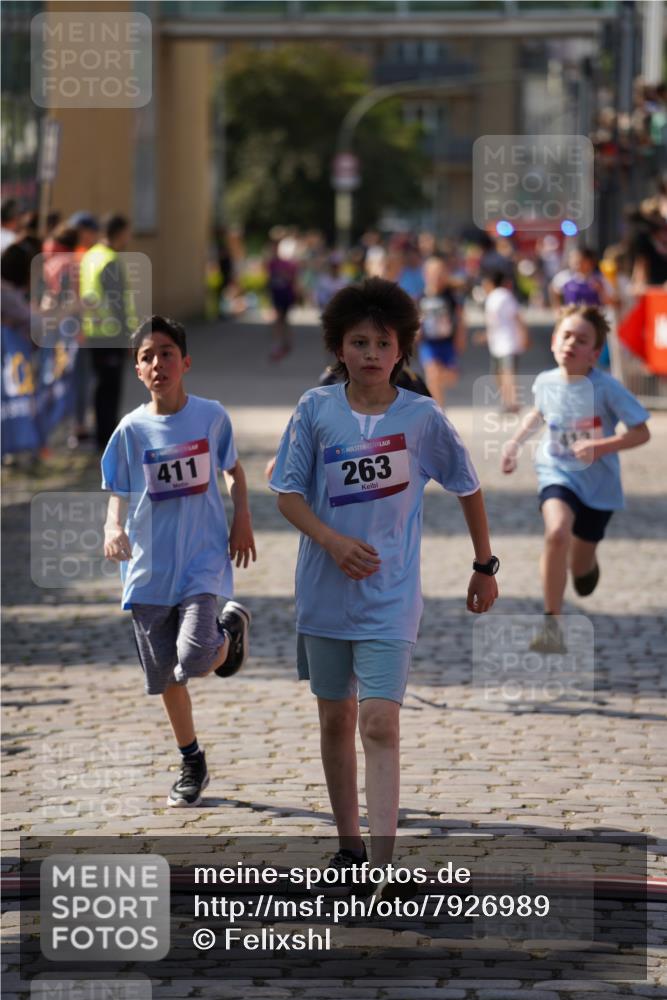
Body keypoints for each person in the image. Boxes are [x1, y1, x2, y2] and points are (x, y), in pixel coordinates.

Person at [270, 277, 498, 884]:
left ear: (402, 351)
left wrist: (484, 565)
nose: (370, 353)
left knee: (378, 720)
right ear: (338, 348)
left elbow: (468, 486)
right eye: (358, 342)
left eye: (382, 343)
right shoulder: (314, 411)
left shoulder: (423, 418)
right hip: (323, 591)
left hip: (391, 598)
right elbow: (287, 495)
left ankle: (381, 864)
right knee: (335, 719)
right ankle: (348, 846)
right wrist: (333, 541)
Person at [102, 315, 256, 807]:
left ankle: (227, 635)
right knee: (166, 677)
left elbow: (234, 470)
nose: (157, 363)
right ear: (137, 369)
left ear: (185, 361)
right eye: (147, 356)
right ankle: (192, 760)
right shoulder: (130, 429)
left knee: (193, 659)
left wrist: (242, 518)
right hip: (148, 570)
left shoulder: (210, 416)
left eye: (166, 352)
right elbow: (118, 490)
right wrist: (113, 527)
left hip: (201, 561)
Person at [501, 304, 650, 653]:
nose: (571, 343)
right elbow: (538, 412)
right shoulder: (545, 381)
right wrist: (514, 442)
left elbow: (641, 432)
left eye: (581, 340)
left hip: (599, 487)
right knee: (556, 533)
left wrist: (601, 446)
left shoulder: (608, 388)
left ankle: (587, 565)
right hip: (557, 472)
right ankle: (552, 623)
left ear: (595, 353)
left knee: (581, 569)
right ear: (554, 341)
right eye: (566, 335)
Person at [80, 213, 136, 451]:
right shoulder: (109, 259)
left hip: (94, 329)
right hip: (110, 333)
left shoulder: (91, 255)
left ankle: (101, 436)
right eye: (127, 232)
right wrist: (128, 336)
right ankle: (106, 439)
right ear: (119, 233)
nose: (129, 237)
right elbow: (117, 302)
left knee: (101, 386)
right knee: (110, 389)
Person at [417, 254, 466, 407]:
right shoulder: (421, 297)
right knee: (432, 374)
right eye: (433, 273)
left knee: (451, 377)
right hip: (429, 343)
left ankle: (438, 409)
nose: (436, 277)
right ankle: (438, 411)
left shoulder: (451, 297)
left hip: (447, 342)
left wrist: (460, 339)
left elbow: (460, 320)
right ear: (426, 275)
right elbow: (416, 320)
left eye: (440, 273)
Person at [480, 270, 528, 412]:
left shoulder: (504, 296)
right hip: (497, 343)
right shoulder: (491, 298)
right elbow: (493, 322)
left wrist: (524, 335)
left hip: (509, 342)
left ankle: (513, 404)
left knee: (507, 373)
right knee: (498, 373)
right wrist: (486, 336)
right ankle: (507, 402)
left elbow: (517, 316)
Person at [266, 238, 299, 362]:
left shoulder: (288, 264)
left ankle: (284, 342)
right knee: (278, 318)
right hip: (276, 294)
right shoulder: (271, 264)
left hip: (286, 294)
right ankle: (280, 343)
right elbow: (269, 279)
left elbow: (292, 279)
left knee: (284, 318)